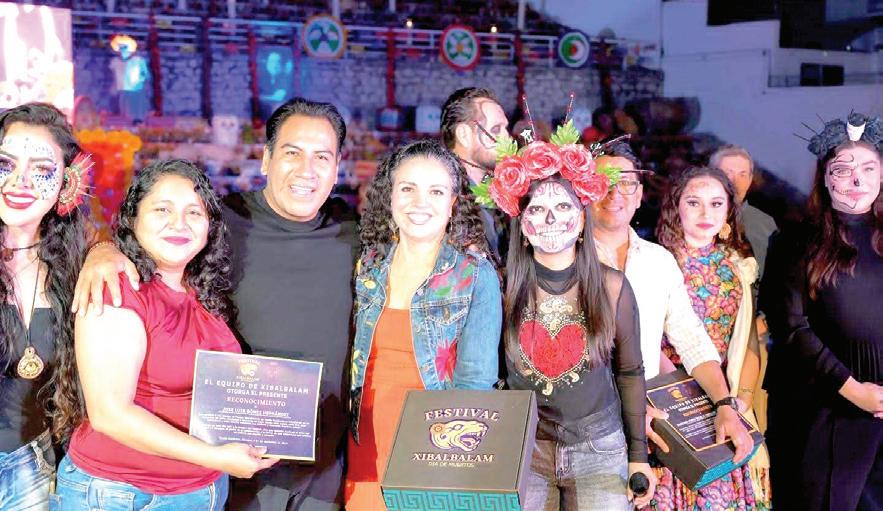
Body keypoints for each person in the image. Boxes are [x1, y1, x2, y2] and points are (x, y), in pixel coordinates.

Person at [71, 98, 357, 510]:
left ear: (336, 167)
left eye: (322, 157)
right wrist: (103, 252)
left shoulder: (354, 234)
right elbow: (157, 238)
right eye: (292, 153)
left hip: (320, 464)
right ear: (266, 159)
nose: (306, 170)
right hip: (224, 459)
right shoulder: (221, 223)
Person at [53, 159, 276, 509]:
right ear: (133, 219)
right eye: (162, 209)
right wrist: (215, 457)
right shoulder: (115, 288)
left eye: (194, 213)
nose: (179, 223)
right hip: (123, 494)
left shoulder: (198, 290)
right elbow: (110, 414)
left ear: (210, 227)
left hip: (199, 489)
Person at [483, 127, 655, 510]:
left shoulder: (612, 288)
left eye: (563, 207)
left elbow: (630, 372)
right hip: (524, 450)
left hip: (599, 449)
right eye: (537, 209)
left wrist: (638, 456)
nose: (550, 219)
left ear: (580, 222)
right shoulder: (500, 287)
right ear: (522, 226)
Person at [346, 140, 501, 509]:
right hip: (363, 443)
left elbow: (475, 384)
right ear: (390, 196)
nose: (420, 202)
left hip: (434, 447)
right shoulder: (366, 265)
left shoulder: (474, 275)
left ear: (452, 203)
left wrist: (450, 467)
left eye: (436, 191)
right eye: (407, 189)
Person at [589, 141, 754, 483]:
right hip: (587, 426)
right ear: (584, 190)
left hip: (652, 424)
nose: (615, 194)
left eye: (627, 184)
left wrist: (725, 405)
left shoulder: (658, 261)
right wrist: (629, 408)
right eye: (603, 182)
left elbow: (692, 340)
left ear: (639, 195)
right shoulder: (564, 259)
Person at [763, 113, 882, 510]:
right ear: (825, 178)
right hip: (824, 403)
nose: (857, 179)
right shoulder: (795, 240)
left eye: (869, 168)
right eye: (843, 169)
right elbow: (791, 327)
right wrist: (854, 390)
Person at [654, 166, 771, 510]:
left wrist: (739, 399)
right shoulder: (655, 261)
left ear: (729, 211)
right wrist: (683, 399)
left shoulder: (736, 266)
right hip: (668, 401)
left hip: (723, 401)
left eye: (716, 203)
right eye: (694, 202)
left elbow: (747, 341)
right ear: (676, 207)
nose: (706, 213)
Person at [0, 102, 89, 510]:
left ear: (67, 184)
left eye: (41, 169)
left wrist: (105, 252)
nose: (19, 182)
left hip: (32, 471)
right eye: (5, 164)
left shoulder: (75, 270)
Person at [710, 145, 778, 433]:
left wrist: (762, 321)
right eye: (727, 172)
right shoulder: (691, 217)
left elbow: (776, 282)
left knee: (747, 416)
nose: (735, 181)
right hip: (702, 336)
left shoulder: (762, 224)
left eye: (743, 173)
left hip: (750, 337)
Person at [441, 87, 509, 264]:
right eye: (496, 130)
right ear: (464, 135)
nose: (507, 138)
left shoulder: (499, 192)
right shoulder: (442, 199)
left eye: (505, 129)